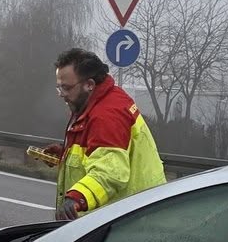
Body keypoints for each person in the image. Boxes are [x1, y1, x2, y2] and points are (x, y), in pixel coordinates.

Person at [44, 47, 166, 221]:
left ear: (89, 85)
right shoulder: (95, 101)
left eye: (66, 88)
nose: (62, 94)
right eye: (59, 88)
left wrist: (77, 197)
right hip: (129, 212)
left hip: (128, 219)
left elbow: (111, 171)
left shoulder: (107, 115)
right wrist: (66, 154)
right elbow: (99, 151)